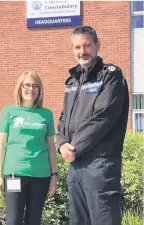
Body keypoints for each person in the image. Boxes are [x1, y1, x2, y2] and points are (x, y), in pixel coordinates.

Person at [57, 25, 129, 225]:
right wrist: (62, 144)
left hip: (100, 164)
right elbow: (64, 119)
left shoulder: (110, 76)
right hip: (75, 165)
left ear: (98, 45)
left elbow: (103, 117)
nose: (82, 51)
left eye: (87, 45)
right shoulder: (72, 82)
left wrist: (74, 147)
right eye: (77, 47)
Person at [0, 71, 57, 225]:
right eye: (27, 85)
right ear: (20, 88)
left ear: (40, 90)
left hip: (41, 175)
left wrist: (54, 175)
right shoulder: (8, 112)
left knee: (34, 220)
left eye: (35, 85)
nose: (31, 89)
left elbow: (51, 146)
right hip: (14, 173)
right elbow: (1, 145)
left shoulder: (46, 114)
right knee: (13, 220)